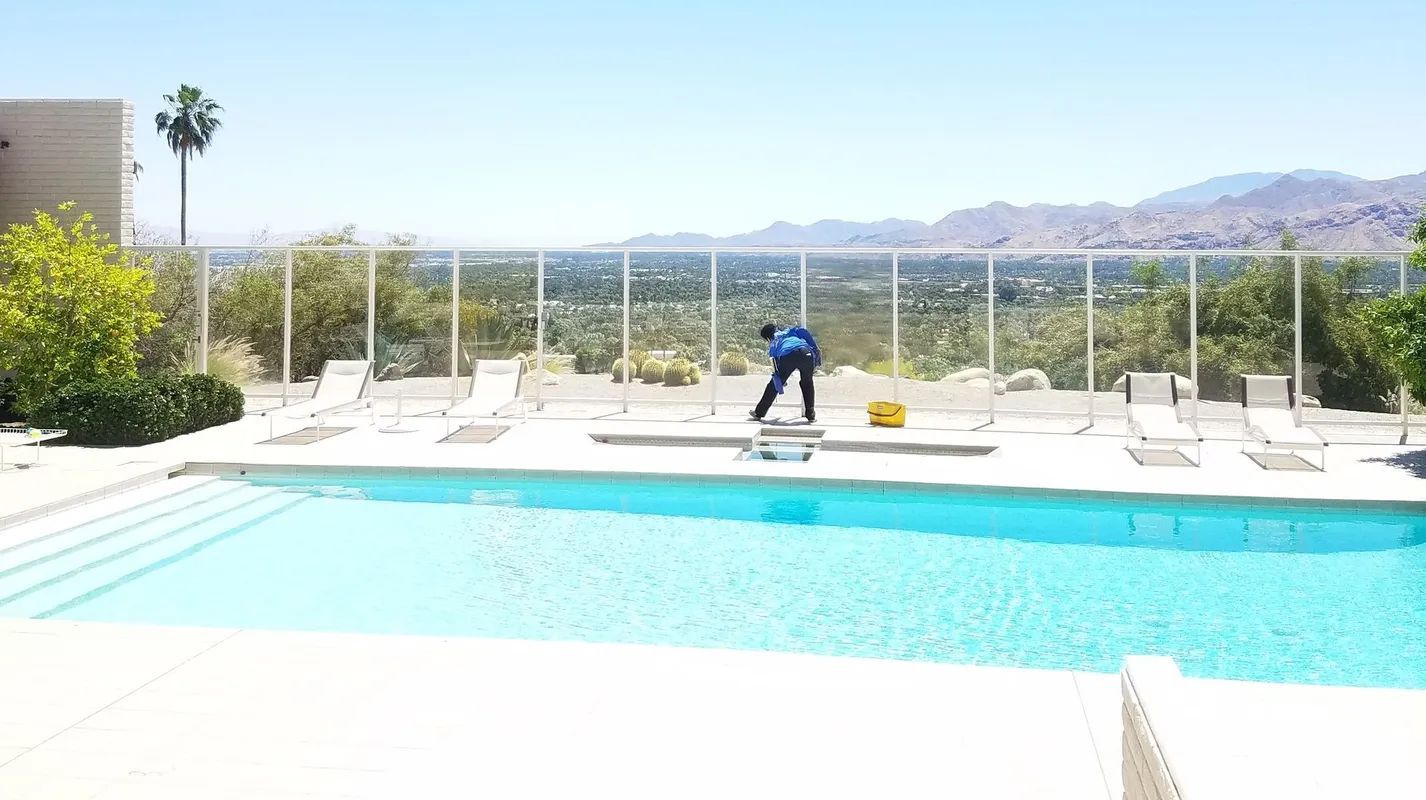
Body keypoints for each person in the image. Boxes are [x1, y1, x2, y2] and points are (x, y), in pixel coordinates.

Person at [749, 322, 821, 423]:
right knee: (807, 383)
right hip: (806, 353)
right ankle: (811, 415)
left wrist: (781, 380)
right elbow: (804, 332)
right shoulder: (791, 331)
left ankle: (759, 412)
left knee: (772, 386)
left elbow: (775, 365)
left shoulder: (774, 342)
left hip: (787, 355)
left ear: (768, 337)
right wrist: (816, 350)